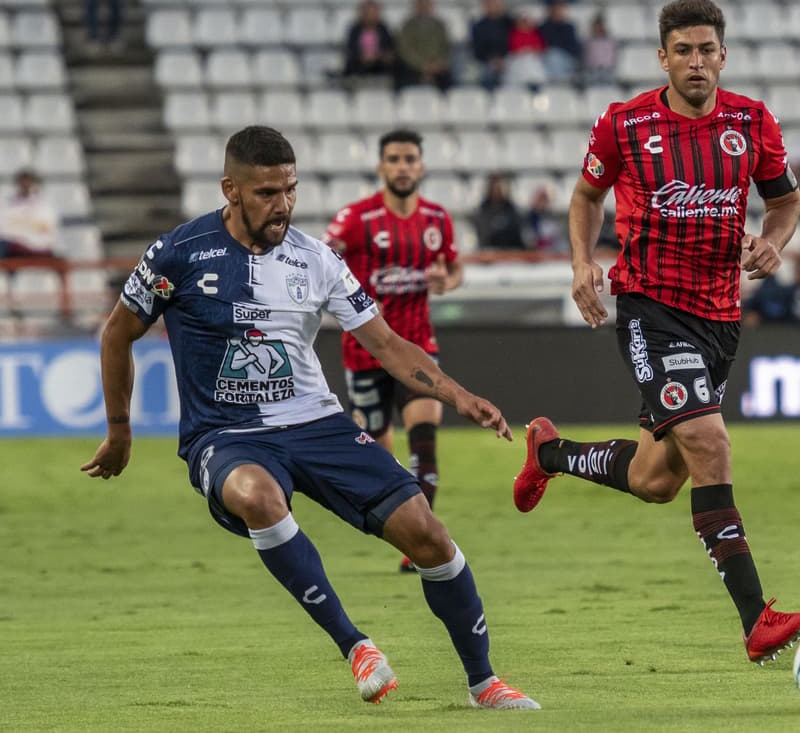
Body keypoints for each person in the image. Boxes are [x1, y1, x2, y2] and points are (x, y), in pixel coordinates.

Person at [81, 126, 538, 710]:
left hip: (316, 422)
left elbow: (388, 344)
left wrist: (459, 395)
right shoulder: (179, 253)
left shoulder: (316, 258)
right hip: (225, 433)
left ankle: (484, 682)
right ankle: (355, 646)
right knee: (258, 497)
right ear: (231, 189)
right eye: (268, 192)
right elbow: (117, 332)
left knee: (428, 533)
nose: (283, 205)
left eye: (290, 190)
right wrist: (119, 430)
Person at [511, 0, 800, 664]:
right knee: (710, 442)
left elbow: (786, 200)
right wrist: (580, 260)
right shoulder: (624, 124)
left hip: (719, 319)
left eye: (707, 49)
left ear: (723, 55)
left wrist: (775, 239)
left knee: (658, 478)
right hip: (651, 307)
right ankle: (756, 619)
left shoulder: (753, 121)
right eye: (684, 51)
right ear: (663, 58)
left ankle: (549, 454)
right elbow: (587, 196)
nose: (697, 61)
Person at [325, 128, 462, 574]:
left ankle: (419, 545)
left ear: (420, 166)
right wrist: (354, 299)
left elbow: (454, 269)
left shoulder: (437, 219)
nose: (402, 167)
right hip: (364, 353)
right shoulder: (355, 219)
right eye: (394, 159)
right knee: (379, 454)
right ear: (381, 166)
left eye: (409, 159)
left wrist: (448, 282)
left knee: (425, 438)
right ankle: (404, 524)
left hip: (419, 347)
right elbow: (322, 264)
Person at [395, 0, 453, 91]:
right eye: (421, 4)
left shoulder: (440, 25)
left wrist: (438, 63)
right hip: (414, 68)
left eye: (427, 4)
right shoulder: (407, 26)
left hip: (437, 67)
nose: (424, 7)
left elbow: (446, 47)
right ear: (415, 6)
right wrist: (423, 65)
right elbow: (405, 50)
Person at [0, 170, 61, 258]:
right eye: (22, 184)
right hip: (13, 247)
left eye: (28, 183)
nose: (25, 187)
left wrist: (19, 230)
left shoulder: (44, 205)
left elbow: (44, 230)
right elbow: (3, 229)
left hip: (37, 246)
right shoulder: (7, 204)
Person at [470, 0, 514, 90]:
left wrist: (504, 59)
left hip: (509, 59)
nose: (492, 7)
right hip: (488, 62)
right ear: (484, 5)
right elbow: (477, 50)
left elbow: (516, 42)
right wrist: (492, 59)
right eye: (489, 4)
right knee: (487, 73)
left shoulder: (509, 23)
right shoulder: (478, 26)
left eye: (495, 3)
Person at [343, 0, 396, 79]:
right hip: (360, 64)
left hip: (380, 64)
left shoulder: (383, 29)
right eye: (368, 13)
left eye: (374, 13)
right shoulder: (355, 30)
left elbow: (389, 48)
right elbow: (351, 50)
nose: (371, 16)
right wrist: (363, 56)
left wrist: (379, 55)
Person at [539, 0, 582, 84]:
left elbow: (573, 47)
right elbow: (546, 44)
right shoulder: (544, 27)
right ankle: (556, 82)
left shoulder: (569, 27)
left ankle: (560, 82)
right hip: (548, 59)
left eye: (560, 9)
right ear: (550, 11)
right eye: (555, 9)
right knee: (553, 54)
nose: (557, 12)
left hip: (567, 59)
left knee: (555, 55)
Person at [474, 174, 525, 248]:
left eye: (499, 188)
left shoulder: (510, 209)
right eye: (495, 188)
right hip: (490, 251)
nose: (497, 191)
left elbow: (516, 232)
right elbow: (484, 234)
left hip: (510, 251)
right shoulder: (483, 210)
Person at [582, 12, 619, 87]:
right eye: (596, 26)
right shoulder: (589, 41)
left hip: (607, 69)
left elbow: (613, 57)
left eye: (600, 26)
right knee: (590, 78)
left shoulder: (610, 41)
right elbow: (586, 57)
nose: (598, 28)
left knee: (609, 78)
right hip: (592, 70)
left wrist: (606, 66)